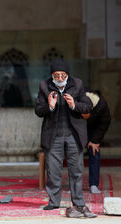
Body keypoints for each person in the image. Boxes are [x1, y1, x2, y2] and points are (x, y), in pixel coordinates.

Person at [35, 59, 96, 218]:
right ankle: (54, 201)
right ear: (52, 75)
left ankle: (78, 202)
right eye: (57, 75)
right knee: (53, 170)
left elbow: (87, 106)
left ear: (68, 75)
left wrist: (74, 104)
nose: (60, 78)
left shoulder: (77, 84)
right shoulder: (44, 86)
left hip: (73, 135)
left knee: (76, 170)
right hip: (53, 135)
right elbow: (38, 110)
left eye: (63, 75)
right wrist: (50, 106)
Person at [82, 88, 111, 194]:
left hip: (94, 128)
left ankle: (94, 184)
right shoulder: (74, 99)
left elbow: (104, 123)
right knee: (74, 154)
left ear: (91, 109)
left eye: (85, 115)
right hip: (77, 127)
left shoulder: (101, 105)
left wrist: (95, 140)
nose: (83, 117)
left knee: (94, 152)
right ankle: (74, 186)